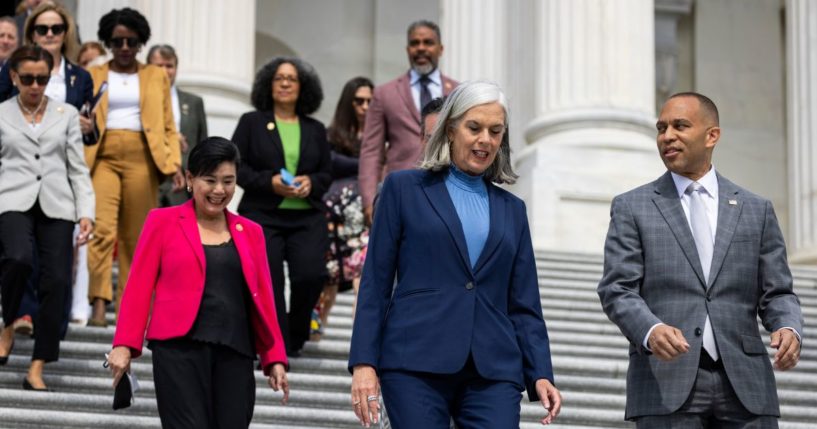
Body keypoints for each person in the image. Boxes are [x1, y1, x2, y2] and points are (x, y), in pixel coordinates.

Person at [348, 81, 562, 428]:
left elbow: (524, 302)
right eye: (474, 128)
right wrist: (363, 364)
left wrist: (540, 372)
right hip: (414, 361)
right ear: (450, 129)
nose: (485, 140)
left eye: (496, 131)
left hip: (493, 368)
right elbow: (375, 282)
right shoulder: (402, 189)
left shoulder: (513, 209)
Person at [597, 92, 803, 427]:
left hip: (747, 385)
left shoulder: (756, 209)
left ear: (712, 136)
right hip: (665, 382)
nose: (667, 136)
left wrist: (787, 326)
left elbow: (778, 291)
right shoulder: (632, 207)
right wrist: (650, 330)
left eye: (680, 126)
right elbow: (617, 289)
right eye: (661, 128)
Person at [107, 137, 289, 427]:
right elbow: (138, 288)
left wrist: (274, 357)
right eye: (210, 180)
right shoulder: (161, 221)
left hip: (235, 351)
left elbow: (264, 298)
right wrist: (124, 344)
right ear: (190, 179)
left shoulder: (251, 232)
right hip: (177, 350)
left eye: (228, 181)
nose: (219, 190)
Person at [0, 45, 94, 391]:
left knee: (56, 282)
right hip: (11, 200)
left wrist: (86, 212)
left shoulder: (65, 113)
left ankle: (38, 365)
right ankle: (8, 321)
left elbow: (77, 168)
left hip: (58, 203)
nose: (35, 85)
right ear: (14, 77)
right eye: (27, 78)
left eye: (42, 78)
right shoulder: (1, 113)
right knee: (18, 259)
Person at [85, 8, 181, 326]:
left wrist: (174, 163)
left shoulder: (155, 76)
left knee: (136, 237)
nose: (124, 47)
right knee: (102, 229)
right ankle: (98, 300)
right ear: (108, 42)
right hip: (103, 155)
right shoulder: (94, 74)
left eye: (131, 41)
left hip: (143, 155)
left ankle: (129, 306)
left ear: (141, 43)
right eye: (117, 41)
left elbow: (168, 124)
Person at [232, 56, 331, 357]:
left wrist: (311, 183)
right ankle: (273, 343)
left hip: (306, 217)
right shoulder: (251, 122)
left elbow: (326, 172)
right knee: (269, 283)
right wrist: (270, 181)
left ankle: (296, 332)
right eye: (279, 78)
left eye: (292, 79)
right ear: (268, 85)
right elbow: (237, 166)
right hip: (263, 215)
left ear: (303, 88)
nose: (285, 83)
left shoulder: (315, 128)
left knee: (311, 276)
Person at [358, 20, 458, 226]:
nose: (421, 48)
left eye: (428, 42)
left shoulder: (458, 92)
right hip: (400, 191)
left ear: (440, 49)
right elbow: (371, 151)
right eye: (415, 43)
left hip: (449, 189)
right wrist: (368, 200)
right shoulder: (384, 93)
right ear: (407, 49)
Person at [312, 76, 373, 340]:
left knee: (365, 273)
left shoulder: (380, 134)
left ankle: (363, 336)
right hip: (336, 214)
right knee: (330, 279)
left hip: (367, 213)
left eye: (370, 101)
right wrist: (367, 164)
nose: (364, 106)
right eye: (359, 101)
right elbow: (329, 163)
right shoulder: (332, 134)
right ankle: (313, 333)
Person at [147, 43, 208, 207]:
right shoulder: (138, 100)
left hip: (182, 186)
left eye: (169, 66)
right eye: (159, 66)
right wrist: (171, 137)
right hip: (149, 179)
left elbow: (203, 145)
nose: (165, 71)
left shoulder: (194, 102)